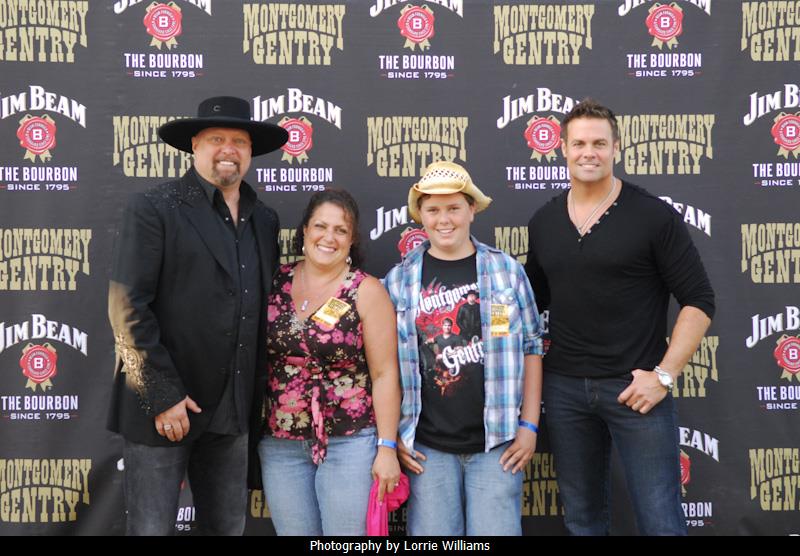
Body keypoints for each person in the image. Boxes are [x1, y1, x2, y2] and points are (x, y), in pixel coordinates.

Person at [524, 99, 715, 536]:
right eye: (579, 144)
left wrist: (664, 375)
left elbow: (699, 300)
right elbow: (530, 301)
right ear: (562, 149)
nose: (588, 153)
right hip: (565, 390)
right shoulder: (544, 221)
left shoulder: (652, 216)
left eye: (599, 143)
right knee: (582, 519)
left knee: (660, 520)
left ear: (616, 148)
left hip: (635, 390)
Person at [107, 96, 288, 535]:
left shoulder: (264, 220)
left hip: (233, 410)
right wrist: (162, 395)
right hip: (164, 407)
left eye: (239, 141)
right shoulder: (155, 207)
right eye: (216, 139)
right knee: (150, 529)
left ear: (250, 151)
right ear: (195, 145)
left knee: (226, 528)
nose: (228, 149)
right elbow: (127, 308)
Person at [383, 161, 544, 536]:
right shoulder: (398, 280)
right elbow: (384, 366)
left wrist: (529, 425)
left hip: (498, 443)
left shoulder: (507, 271)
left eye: (454, 208)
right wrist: (393, 438)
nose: (444, 220)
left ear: (472, 209)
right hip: (428, 447)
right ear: (420, 215)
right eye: (433, 209)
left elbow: (532, 346)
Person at [258, 189, 401, 536]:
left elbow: (385, 374)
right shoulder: (274, 282)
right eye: (321, 226)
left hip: (349, 442)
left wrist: (387, 447)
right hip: (281, 442)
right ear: (305, 230)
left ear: (352, 240)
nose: (329, 237)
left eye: (341, 230)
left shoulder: (366, 291)